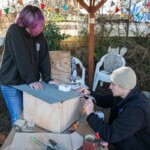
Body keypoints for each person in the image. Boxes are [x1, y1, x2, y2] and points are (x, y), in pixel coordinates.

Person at [0, 5, 58, 125]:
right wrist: (31, 79)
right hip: (11, 82)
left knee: (30, 115)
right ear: (25, 22)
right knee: (19, 117)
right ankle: (18, 142)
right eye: (32, 27)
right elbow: (22, 57)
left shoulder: (38, 34)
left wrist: (48, 78)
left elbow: (44, 57)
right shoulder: (14, 30)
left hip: (27, 82)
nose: (35, 31)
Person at [78, 66, 150, 150]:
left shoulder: (136, 110)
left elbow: (110, 135)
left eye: (113, 84)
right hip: (121, 136)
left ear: (124, 87)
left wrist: (90, 114)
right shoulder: (123, 94)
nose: (110, 87)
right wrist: (89, 93)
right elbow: (104, 100)